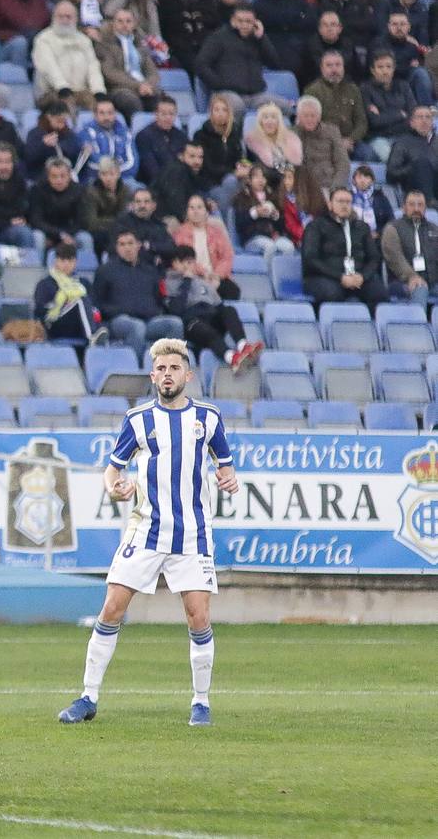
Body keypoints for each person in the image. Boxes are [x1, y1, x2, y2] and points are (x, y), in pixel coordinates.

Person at [56, 338, 237, 727]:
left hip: (192, 534)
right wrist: (113, 486)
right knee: (112, 608)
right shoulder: (138, 420)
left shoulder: (208, 418)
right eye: (161, 369)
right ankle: (88, 696)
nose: (167, 375)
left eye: (174, 368)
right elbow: (113, 468)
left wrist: (228, 479)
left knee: (198, 616)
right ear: (153, 376)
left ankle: (201, 702)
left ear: (187, 375)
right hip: (145, 531)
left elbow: (225, 465)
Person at [164, 246, 263, 372]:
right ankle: (232, 358)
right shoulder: (169, 282)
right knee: (207, 331)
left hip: (210, 315)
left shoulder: (202, 282)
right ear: (175, 263)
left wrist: (214, 287)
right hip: (191, 322)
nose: (189, 266)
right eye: (186, 262)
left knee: (229, 310)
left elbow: (219, 305)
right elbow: (176, 309)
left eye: (192, 262)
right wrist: (186, 281)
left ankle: (243, 345)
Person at [93, 230, 184, 359]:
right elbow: (97, 302)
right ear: (117, 248)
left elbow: (159, 299)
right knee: (137, 327)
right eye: (122, 244)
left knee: (175, 323)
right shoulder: (105, 270)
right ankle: (137, 370)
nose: (127, 248)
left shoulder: (150, 270)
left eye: (130, 243)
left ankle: (171, 367)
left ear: (138, 245)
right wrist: (115, 311)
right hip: (119, 321)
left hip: (149, 320)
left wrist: (154, 310)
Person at [301, 186, 385, 310]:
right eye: (340, 201)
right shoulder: (316, 226)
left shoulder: (362, 228)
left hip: (357, 278)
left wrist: (362, 276)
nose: (344, 206)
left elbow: (374, 258)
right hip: (324, 277)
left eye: (348, 202)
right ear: (330, 204)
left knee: (379, 294)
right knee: (332, 293)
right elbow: (310, 259)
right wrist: (340, 277)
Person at [193, 5, 282, 116]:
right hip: (226, 93)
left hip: (256, 95)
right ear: (232, 21)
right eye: (240, 21)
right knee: (237, 107)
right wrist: (219, 85)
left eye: (248, 21)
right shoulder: (218, 38)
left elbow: (275, 63)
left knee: (284, 107)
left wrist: (262, 38)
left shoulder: (258, 40)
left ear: (255, 23)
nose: (244, 25)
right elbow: (201, 65)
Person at [31, 1, 105, 110]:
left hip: (80, 90)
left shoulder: (84, 40)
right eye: (60, 16)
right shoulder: (43, 39)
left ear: (75, 19)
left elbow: (93, 67)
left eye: (68, 17)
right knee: (67, 106)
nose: (64, 20)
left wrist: (99, 91)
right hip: (52, 91)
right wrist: (62, 87)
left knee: (102, 107)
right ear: (53, 17)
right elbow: (49, 67)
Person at [305, 50, 370, 162]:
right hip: (324, 142)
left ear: (343, 67)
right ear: (322, 68)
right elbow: (311, 124)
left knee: (369, 154)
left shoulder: (353, 89)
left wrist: (350, 139)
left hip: (351, 141)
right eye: (329, 65)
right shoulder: (312, 91)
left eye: (338, 65)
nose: (334, 69)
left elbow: (361, 122)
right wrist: (337, 143)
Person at [34, 243, 106, 343]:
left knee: (102, 324)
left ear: (75, 262)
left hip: (79, 325)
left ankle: (98, 338)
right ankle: (92, 337)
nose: (66, 265)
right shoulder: (45, 284)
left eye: (70, 261)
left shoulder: (84, 283)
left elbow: (94, 306)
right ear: (56, 261)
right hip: (55, 325)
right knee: (80, 300)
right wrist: (65, 304)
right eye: (63, 260)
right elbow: (41, 312)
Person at [170, 194, 238, 299]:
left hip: (216, 277)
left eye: (199, 207)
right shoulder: (180, 234)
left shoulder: (217, 232)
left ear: (206, 212)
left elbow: (227, 257)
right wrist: (204, 274)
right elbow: (184, 260)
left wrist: (216, 275)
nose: (195, 211)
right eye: (191, 208)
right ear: (187, 212)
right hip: (192, 276)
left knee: (233, 291)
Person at [251, 0, 315, 78]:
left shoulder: (300, 2)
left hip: (300, 48)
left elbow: (310, 24)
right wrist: (295, 20)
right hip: (272, 48)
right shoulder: (257, 6)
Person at [381, 189, 438, 305]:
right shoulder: (392, 228)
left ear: (425, 208)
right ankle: (419, 322)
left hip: (432, 281)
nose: (416, 209)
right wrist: (412, 276)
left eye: (420, 205)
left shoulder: (434, 229)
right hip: (402, 282)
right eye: (412, 204)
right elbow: (395, 259)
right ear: (404, 207)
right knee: (420, 289)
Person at [362, 51, 417, 164]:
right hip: (379, 138)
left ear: (393, 69)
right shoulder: (365, 89)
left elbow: (413, 116)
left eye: (388, 67)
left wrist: (383, 116)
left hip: (403, 135)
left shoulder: (403, 86)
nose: (385, 71)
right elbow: (373, 121)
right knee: (393, 160)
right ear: (373, 70)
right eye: (380, 67)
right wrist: (400, 114)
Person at [30, 156, 91, 256]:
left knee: (85, 238)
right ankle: (37, 270)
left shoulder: (79, 191)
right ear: (48, 176)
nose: (59, 180)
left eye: (63, 176)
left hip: (71, 232)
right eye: (54, 176)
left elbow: (82, 220)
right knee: (37, 237)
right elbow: (36, 220)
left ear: (70, 175)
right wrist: (60, 235)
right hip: (47, 232)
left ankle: (84, 270)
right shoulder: (38, 190)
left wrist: (68, 235)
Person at [294, 96, 349, 195]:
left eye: (313, 115)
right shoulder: (291, 134)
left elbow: (343, 163)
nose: (309, 119)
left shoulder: (332, 131)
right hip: (301, 187)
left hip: (327, 186)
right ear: (298, 117)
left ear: (319, 117)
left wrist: (335, 189)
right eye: (305, 116)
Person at [233, 166, 292, 257]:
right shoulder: (242, 197)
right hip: (252, 238)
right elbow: (240, 223)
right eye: (256, 177)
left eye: (263, 177)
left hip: (272, 236)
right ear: (249, 180)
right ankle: (269, 271)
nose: (260, 180)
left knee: (288, 247)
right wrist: (255, 213)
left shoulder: (272, 197)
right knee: (269, 246)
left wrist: (275, 216)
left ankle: (284, 271)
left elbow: (282, 225)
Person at [385, 106, 438, 205]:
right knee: (422, 163)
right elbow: (391, 174)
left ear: (432, 122)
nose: (424, 121)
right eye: (420, 117)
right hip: (414, 192)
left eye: (428, 117)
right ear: (412, 123)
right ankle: (429, 202)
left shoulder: (436, 142)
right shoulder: (402, 143)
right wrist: (413, 168)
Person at [78, 95, 137, 183]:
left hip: (123, 178)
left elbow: (133, 164)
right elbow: (91, 163)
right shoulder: (86, 133)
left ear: (115, 114)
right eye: (102, 113)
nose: (106, 117)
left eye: (110, 113)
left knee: (139, 191)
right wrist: (109, 174)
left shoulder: (125, 133)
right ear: (95, 115)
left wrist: (114, 175)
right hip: (96, 180)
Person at [154, 142, 213, 223]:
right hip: (165, 218)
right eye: (192, 156)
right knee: (215, 223)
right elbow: (176, 203)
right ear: (181, 157)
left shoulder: (193, 172)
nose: (197, 161)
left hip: (182, 215)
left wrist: (206, 204)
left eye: (200, 157)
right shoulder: (176, 171)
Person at [243, 101, 303, 174]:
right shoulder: (253, 141)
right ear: (260, 122)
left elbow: (297, 165)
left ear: (279, 122)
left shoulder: (290, 139)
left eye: (273, 117)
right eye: (265, 117)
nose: (269, 121)